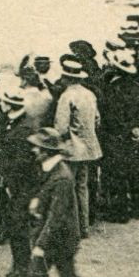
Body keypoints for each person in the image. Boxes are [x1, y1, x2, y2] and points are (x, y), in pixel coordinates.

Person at [22, 127, 109, 277]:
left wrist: (40, 246)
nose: (33, 150)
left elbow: (56, 217)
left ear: (47, 151)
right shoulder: (50, 169)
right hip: (55, 237)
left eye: (37, 147)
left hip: (60, 240)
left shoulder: (61, 177)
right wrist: (37, 201)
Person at [52, 54, 102, 235]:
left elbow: (61, 127)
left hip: (73, 148)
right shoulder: (90, 94)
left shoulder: (67, 96)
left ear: (67, 77)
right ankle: (85, 226)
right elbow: (97, 120)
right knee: (83, 186)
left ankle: (72, 227)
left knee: (69, 186)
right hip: (89, 147)